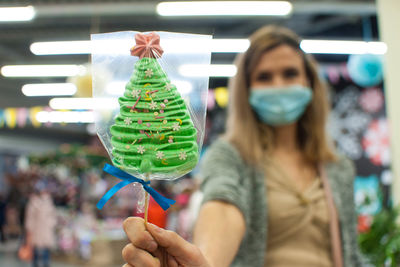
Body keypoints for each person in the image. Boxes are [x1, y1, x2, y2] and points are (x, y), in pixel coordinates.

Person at [120, 25, 364, 267]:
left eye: (290, 73)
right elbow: (223, 205)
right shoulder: (230, 157)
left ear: (310, 82)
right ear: (246, 89)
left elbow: (349, 251)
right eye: (264, 77)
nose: (278, 85)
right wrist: (206, 262)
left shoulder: (337, 168)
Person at [25, 183, 56, 267]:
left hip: (46, 228)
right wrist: (29, 228)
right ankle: (35, 263)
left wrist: (51, 224)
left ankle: (46, 263)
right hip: (36, 228)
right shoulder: (33, 202)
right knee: (35, 248)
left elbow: (53, 214)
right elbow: (30, 216)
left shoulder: (49, 201)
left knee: (46, 247)